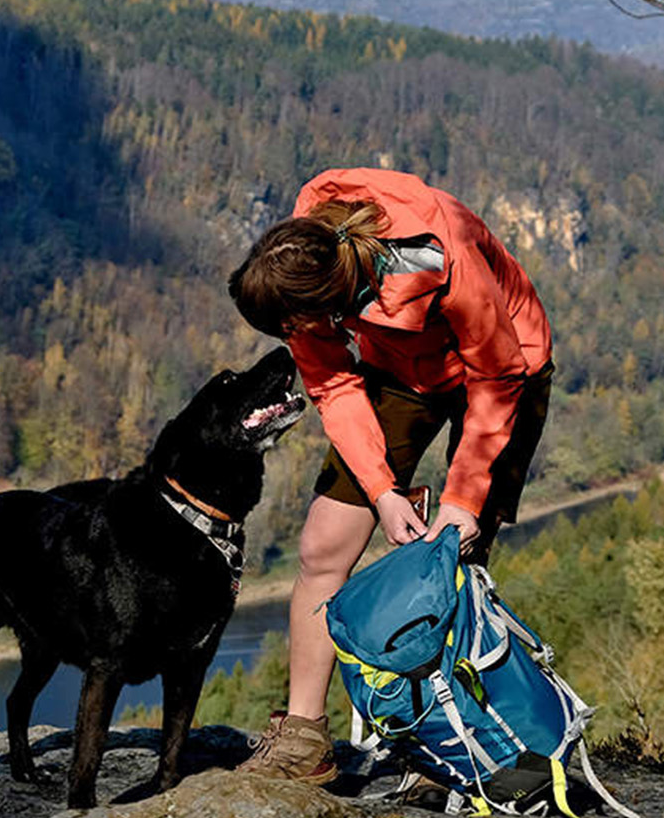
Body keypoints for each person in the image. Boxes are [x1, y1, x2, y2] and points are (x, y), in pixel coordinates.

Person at [227, 167, 553, 783]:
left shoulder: (443, 252)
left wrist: (460, 499)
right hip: (403, 372)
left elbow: (497, 374)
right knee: (324, 543)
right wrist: (381, 491)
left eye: (295, 328)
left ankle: (454, 739)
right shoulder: (305, 256)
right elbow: (331, 383)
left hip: (507, 368)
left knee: (459, 559)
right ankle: (303, 738)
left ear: (329, 299)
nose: (292, 340)